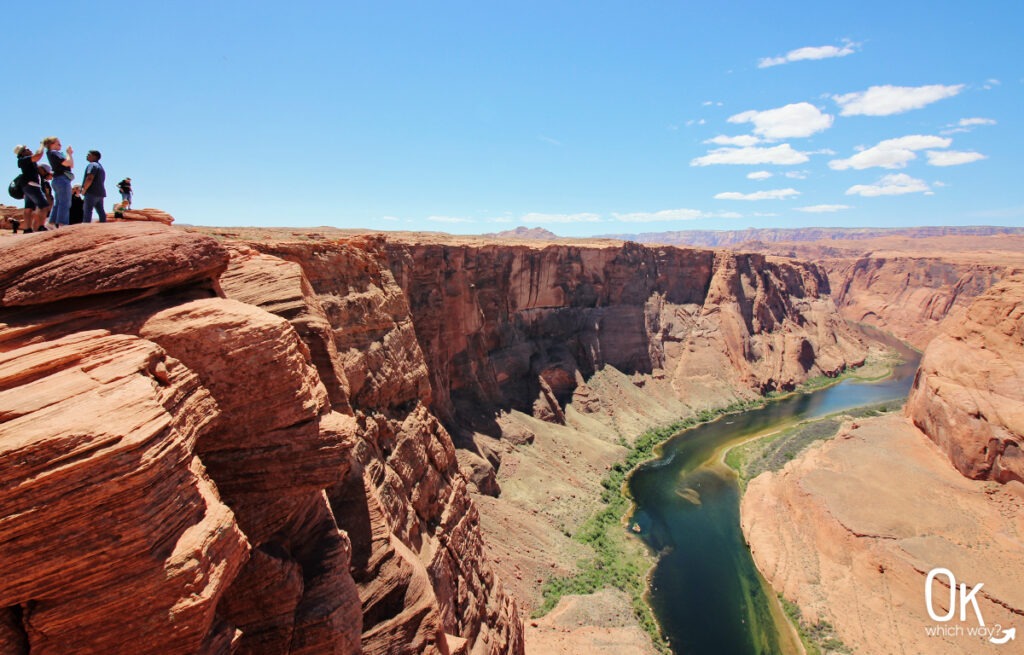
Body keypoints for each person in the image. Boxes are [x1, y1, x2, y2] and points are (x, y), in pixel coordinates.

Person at [12, 145, 47, 233]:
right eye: (27, 149)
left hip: (27, 186)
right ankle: (41, 227)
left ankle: (27, 229)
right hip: (32, 185)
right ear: (23, 152)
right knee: (44, 206)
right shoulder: (25, 159)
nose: (30, 150)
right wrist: (42, 146)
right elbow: (38, 156)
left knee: (28, 208)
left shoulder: (23, 160)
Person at [43, 137, 74, 227]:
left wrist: (69, 154)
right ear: (51, 144)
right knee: (65, 202)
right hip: (62, 179)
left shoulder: (52, 153)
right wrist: (69, 154)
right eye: (58, 143)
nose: (60, 145)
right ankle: (62, 223)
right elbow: (68, 163)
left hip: (58, 179)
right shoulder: (54, 153)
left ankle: (51, 223)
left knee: (58, 202)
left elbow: (71, 164)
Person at [82, 150, 106, 223]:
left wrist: (84, 189)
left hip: (91, 192)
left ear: (94, 156)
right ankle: (103, 225)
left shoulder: (92, 165)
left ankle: (86, 226)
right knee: (100, 211)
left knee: (87, 210)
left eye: (89, 154)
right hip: (100, 192)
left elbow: (90, 178)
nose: (87, 156)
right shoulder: (100, 167)